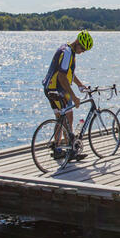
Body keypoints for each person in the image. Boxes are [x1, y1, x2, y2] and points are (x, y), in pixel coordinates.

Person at [41, 30, 93, 159]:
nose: (83, 52)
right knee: (67, 117)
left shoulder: (68, 50)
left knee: (61, 118)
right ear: (77, 43)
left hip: (50, 88)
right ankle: (68, 150)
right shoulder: (68, 53)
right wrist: (74, 97)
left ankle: (58, 147)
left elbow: (69, 73)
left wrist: (79, 84)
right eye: (83, 48)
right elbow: (62, 77)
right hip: (57, 89)